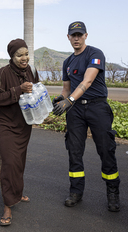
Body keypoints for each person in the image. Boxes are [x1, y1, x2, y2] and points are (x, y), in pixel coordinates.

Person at [52, 21, 120, 212]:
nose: (76, 38)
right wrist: (60, 100)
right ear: (68, 37)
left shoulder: (95, 53)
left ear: (86, 36)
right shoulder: (67, 62)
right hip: (76, 111)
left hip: (97, 107)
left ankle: (113, 193)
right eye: (73, 35)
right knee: (74, 151)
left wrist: (69, 100)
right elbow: (66, 90)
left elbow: (87, 80)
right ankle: (76, 192)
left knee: (106, 150)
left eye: (79, 35)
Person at [0, 39, 38, 226]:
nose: (24, 58)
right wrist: (18, 90)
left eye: (26, 54)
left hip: (23, 124)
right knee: (9, 162)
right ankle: (8, 205)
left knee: (18, 161)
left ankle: (17, 193)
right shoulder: (2, 73)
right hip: (5, 124)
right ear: (12, 56)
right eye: (20, 55)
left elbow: (37, 93)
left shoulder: (32, 71)